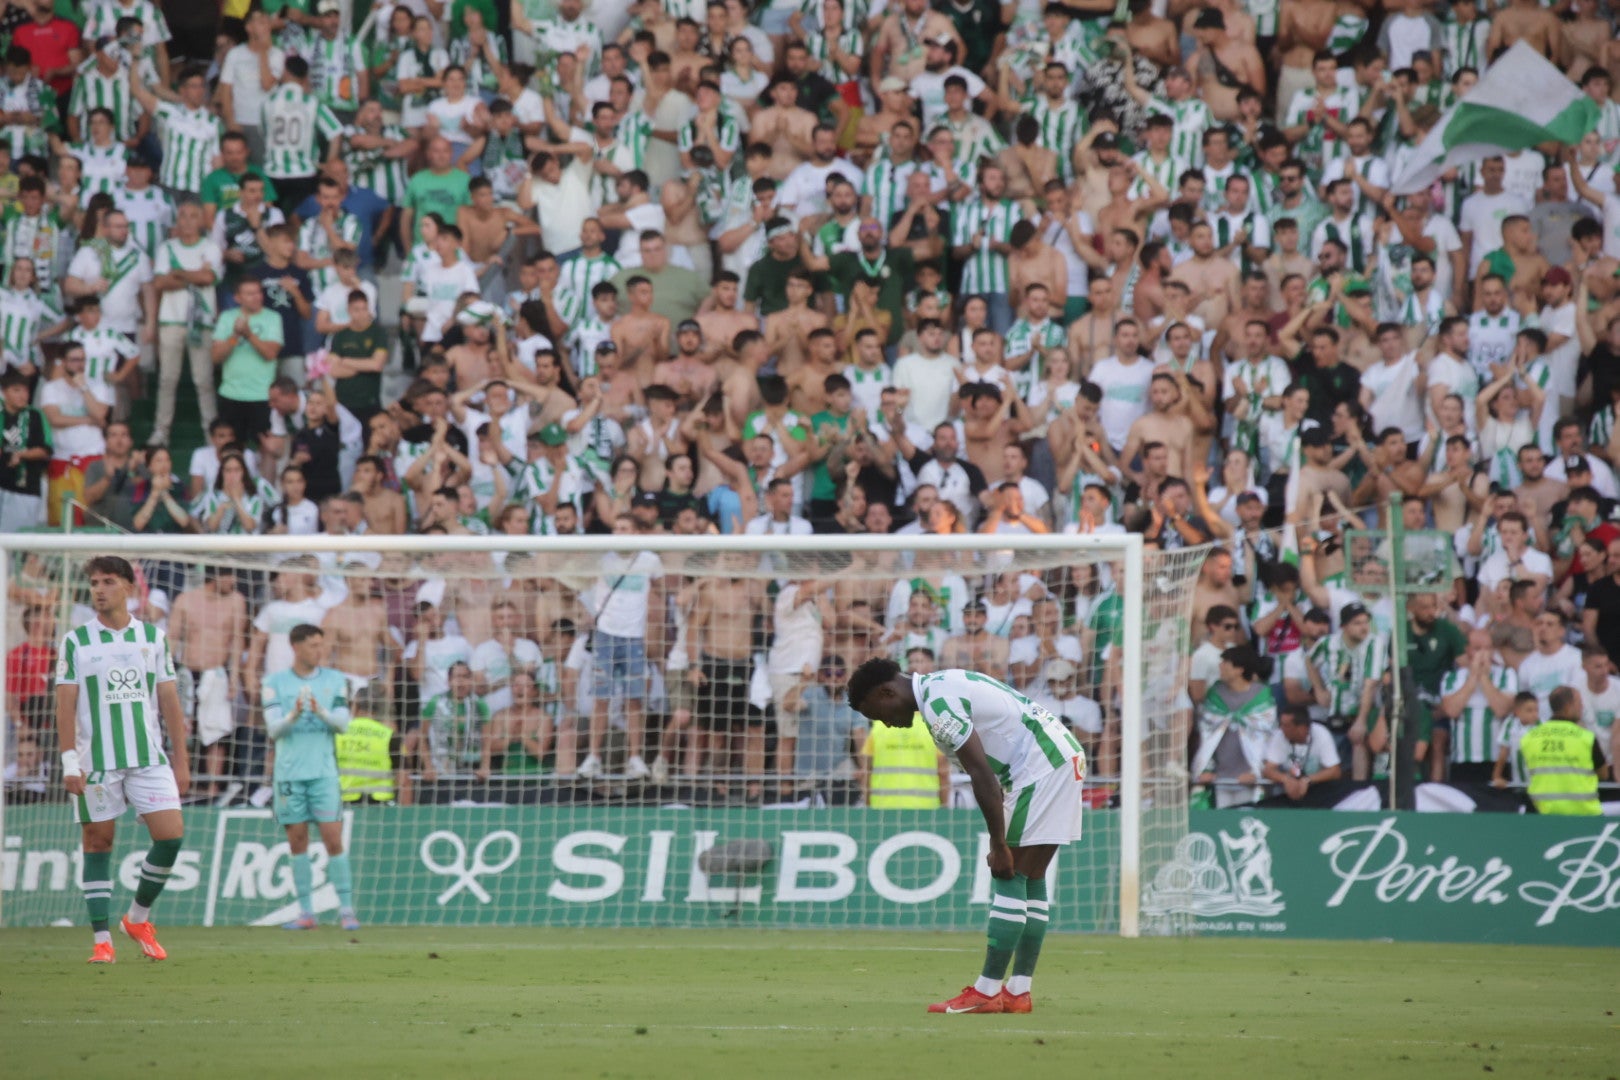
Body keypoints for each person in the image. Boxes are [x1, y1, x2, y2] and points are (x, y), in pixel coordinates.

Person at [846, 656, 1086, 1014]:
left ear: (886, 692)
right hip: (1060, 758)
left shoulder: (938, 708)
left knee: (1009, 874)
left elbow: (982, 775)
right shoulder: (940, 684)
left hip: (1039, 769)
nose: (885, 723)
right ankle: (1018, 991)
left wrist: (997, 843)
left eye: (877, 714)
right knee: (1031, 879)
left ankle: (986, 992)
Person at [55, 555, 190, 964]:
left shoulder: (153, 637)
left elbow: (168, 698)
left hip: (148, 757)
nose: (99, 589)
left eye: (108, 581)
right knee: (98, 843)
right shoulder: (76, 641)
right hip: (96, 762)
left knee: (171, 836)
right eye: (94, 582)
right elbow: (65, 703)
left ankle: (137, 917)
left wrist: (181, 759)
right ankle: (101, 941)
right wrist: (68, 761)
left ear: (129, 587)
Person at [261, 624, 360, 930]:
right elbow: (273, 729)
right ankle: (306, 913)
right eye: (314, 645)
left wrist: (320, 712)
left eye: (322, 644)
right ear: (296, 647)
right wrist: (293, 715)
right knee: (297, 841)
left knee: (333, 838)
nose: (320, 651)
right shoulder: (274, 682)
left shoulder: (335, 680)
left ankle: (346, 911)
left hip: (324, 774)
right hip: (289, 775)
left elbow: (343, 724)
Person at [1518, 685, 1602, 815]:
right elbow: (1603, 774)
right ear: (1568, 706)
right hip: (1585, 815)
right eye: (1579, 703)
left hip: (1542, 814)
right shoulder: (1586, 738)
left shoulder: (1529, 738)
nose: (1582, 707)